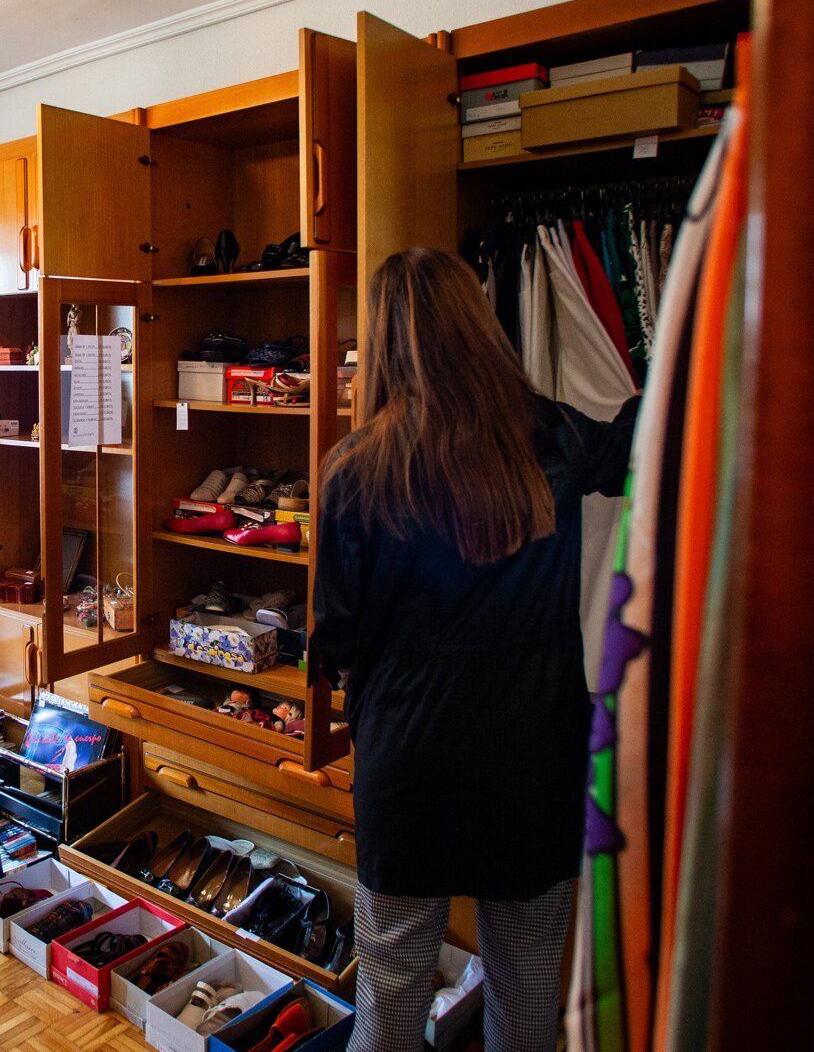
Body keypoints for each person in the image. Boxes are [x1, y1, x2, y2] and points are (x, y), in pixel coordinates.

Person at [311, 248, 639, 1052]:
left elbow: (336, 636)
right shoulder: (554, 437)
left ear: (385, 341)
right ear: (480, 326)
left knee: (389, 987)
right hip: (536, 746)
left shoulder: (355, 467)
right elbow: (640, 441)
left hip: (411, 754)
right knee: (526, 985)